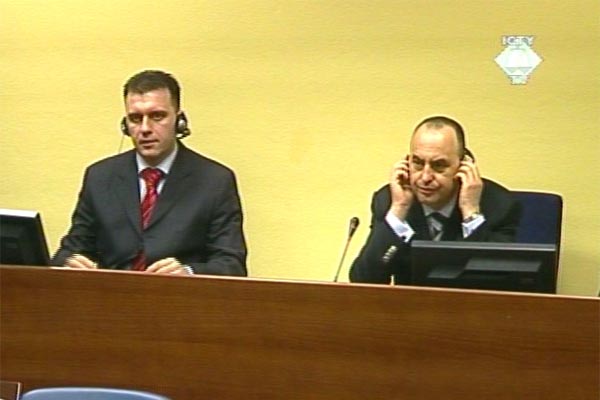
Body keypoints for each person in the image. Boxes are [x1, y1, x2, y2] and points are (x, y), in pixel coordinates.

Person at [52, 70, 247, 276]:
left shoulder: (214, 181)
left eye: (157, 116)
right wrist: (70, 262)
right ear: (125, 125)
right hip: (111, 298)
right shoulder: (100, 176)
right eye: (135, 118)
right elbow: (69, 250)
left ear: (179, 121)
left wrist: (188, 272)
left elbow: (231, 265)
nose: (145, 128)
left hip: (178, 300)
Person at [349, 115, 520, 284]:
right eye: (417, 163)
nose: (425, 177)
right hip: (409, 308)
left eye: (439, 165)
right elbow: (364, 280)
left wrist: (471, 213)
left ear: (464, 166)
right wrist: (398, 211)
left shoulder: (499, 205)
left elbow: (499, 284)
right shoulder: (389, 200)